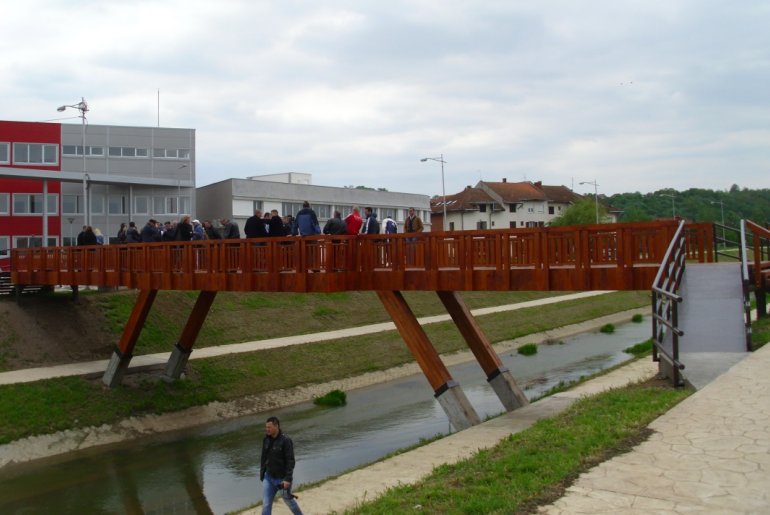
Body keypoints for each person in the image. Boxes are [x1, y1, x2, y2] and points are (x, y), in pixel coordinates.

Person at [260, 416, 303, 515]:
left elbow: (290, 461)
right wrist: (262, 474)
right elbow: (263, 457)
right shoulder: (265, 440)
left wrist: (287, 479)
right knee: (266, 504)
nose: (267, 429)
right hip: (268, 477)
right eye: (266, 427)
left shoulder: (286, 440)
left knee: (289, 501)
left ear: (276, 426)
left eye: (269, 427)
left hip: (282, 480)